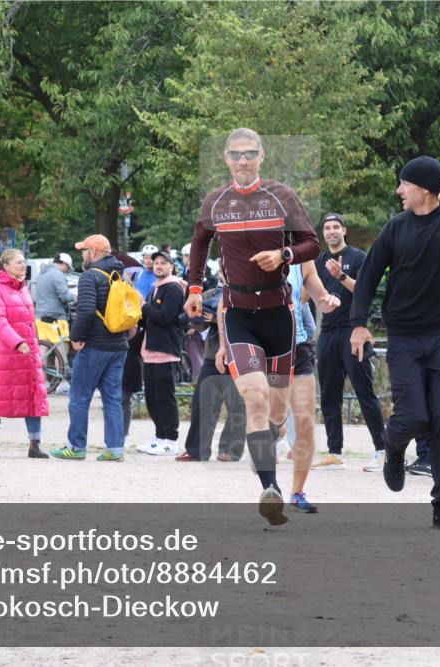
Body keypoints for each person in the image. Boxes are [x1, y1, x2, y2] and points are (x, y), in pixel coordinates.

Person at [186, 127, 320, 526]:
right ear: (226, 159)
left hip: (279, 314)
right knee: (255, 399)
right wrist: (195, 287)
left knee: (277, 409)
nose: (242, 161)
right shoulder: (216, 201)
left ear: (262, 156)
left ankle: (274, 436)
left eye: (249, 154)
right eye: (234, 155)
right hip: (238, 311)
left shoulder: (282, 196)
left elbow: (311, 243)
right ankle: (270, 489)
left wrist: (283, 254)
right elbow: (199, 243)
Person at [350, 155, 440, 531]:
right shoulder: (396, 227)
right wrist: (359, 324)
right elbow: (369, 275)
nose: (398, 191)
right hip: (404, 337)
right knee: (415, 417)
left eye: (403, 183)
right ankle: (395, 445)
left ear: (424, 188)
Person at [312, 212, 387, 472]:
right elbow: (309, 293)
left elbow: (365, 290)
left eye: (336, 227)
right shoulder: (318, 261)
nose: (331, 231)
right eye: (327, 228)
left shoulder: (358, 258)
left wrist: (342, 277)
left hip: (352, 331)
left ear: (344, 230)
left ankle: (382, 450)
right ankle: (334, 453)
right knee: (329, 395)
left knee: (364, 392)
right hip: (328, 332)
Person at [53, 234, 129, 462]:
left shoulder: (89, 277)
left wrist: (76, 337)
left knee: (79, 396)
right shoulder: (118, 274)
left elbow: (85, 311)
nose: (82, 255)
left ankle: (76, 447)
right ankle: (115, 449)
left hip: (95, 344)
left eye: (84, 250)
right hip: (119, 345)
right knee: (112, 399)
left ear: (93, 253)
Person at [0, 250, 50, 459]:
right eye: (18, 262)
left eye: (24, 262)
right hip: (2, 353)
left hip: (25, 353)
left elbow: (29, 322)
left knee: (33, 394)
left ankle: (35, 443)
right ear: (5, 266)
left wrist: (32, 344)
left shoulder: (23, 287)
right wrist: (18, 342)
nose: (23, 265)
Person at [281, 259, 340, 512]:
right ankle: (269, 485)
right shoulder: (250, 253)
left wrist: (328, 301)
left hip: (298, 348)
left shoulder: (301, 262)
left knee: (304, 421)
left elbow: (320, 298)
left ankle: (297, 492)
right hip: (263, 350)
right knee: (272, 420)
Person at [176, 284, 247, 462]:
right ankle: (196, 450)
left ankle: (230, 450)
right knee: (202, 401)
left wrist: (217, 318)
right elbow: (198, 327)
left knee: (237, 405)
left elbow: (251, 321)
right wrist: (199, 318)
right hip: (212, 354)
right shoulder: (210, 293)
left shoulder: (250, 291)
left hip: (240, 353)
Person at [136, 251, 187, 455]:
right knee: (152, 396)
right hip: (150, 349)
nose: (158, 266)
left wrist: (143, 306)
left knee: (165, 396)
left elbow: (164, 316)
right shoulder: (155, 288)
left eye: (163, 263)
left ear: (171, 267)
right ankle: (159, 437)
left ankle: (171, 439)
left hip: (166, 350)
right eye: (156, 262)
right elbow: (149, 317)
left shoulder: (173, 288)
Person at [34, 252, 75, 322]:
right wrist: (74, 297)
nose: (66, 271)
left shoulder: (41, 274)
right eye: (68, 268)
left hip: (40, 317)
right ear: (65, 264)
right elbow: (65, 297)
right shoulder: (58, 274)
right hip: (55, 318)